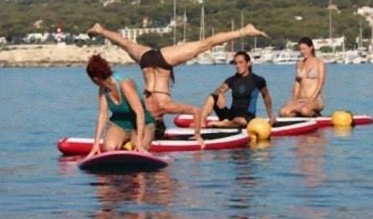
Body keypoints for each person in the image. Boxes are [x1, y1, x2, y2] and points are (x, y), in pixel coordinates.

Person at [87, 22, 269, 142]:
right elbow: (195, 111)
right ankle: (101, 30)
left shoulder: (153, 109)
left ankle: (245, 30)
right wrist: (196, 135)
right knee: (125, 43)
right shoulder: (154, 109)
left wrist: (198, 134)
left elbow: (196, 111)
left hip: (161, 63)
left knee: (204, 44)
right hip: (149, 61)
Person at [85, 54, 154, 158]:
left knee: (138, 148)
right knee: (110, 147)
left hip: (142, 123)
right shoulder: (103, 89)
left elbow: (139, 113)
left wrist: (139, 142)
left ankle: (132, 143)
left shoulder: (124, 84)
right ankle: (125, 144)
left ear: (95, 79)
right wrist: (95, 145)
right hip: (120, 124)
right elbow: (102, 115)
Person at [199, 50, 276, 127]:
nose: (237, 66)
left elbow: (266, 96)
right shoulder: (232, 80)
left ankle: (222, 124)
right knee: (211, 97)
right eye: (236, 63)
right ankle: (201, 124)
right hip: (231, 115)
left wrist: (270, 116)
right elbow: (218, 90)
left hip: (247, 118)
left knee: (239, 120)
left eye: (241, 62)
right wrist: (221, 94)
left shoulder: (258, 80)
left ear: (248, 63)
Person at [280, 36, 326, 117]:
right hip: (300, 99)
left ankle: (315, 114)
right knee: (283, 112)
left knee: (304, 111)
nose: (302, 51)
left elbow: (320, 84)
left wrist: (311, 99)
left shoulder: (319, 62)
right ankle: (297, 117)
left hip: (315, 99)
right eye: (300, 49)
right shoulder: (299, 64)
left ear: (310, 48)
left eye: (304, 49)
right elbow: (297, 84)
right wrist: (293, 100)